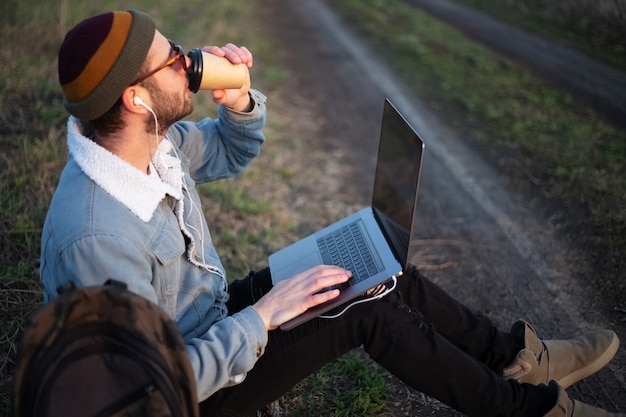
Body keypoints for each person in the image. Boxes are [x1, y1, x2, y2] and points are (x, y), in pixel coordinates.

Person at [39, 9, 624, 417]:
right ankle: (531, 410)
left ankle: (519, 358)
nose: (189, 61)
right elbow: (145, 388)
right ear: (135, 98)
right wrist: (263, 318)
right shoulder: (95, 236)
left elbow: (233, 148)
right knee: (366, 311)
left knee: (370, 259)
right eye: (171, 60)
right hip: (198, 387)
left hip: (212, 319)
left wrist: (238, 101)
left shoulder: (149, 144)